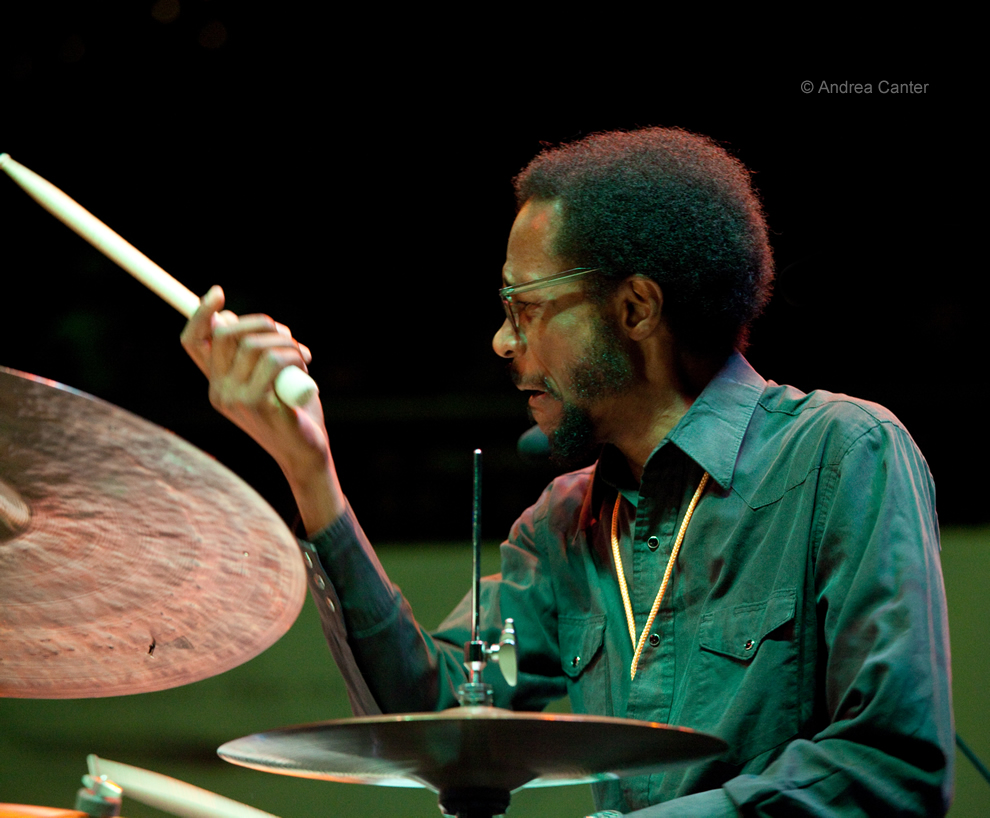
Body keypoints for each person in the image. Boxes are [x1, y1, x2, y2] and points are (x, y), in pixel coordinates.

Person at [181, 128, 953, 816]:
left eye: (524, 307)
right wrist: (310, 471)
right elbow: (437, 727)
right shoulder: (562, 525)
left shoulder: (840, 454)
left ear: (636, 309)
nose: (501, 340)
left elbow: (889, 766)